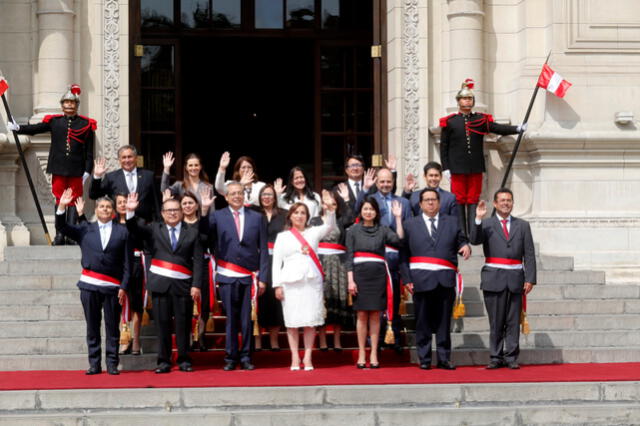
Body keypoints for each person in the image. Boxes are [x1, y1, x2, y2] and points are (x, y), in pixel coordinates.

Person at [125, 193, 204, 374]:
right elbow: (134, 228)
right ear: (162, 213)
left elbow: (198, 261)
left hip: (183, 285)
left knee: (183, 325)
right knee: (162, 324)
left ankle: (184, 360)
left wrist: (197, 284)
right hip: (160, 284)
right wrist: (130, 211)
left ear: (182, 212)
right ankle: (164, 361)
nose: (173, 213)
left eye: (176, 210)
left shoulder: (192, 232)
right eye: (169, 210)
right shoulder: (154, 229)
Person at [9, 84, 95, 245]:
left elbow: (89, 152)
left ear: (77, 105)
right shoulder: (55, 121)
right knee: (60, 200)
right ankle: (60, 235)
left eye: (72, 103)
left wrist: (87, 171)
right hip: (59, 168)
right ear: (62, 105)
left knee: (74, 201)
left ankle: (71, 235)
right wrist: (18, 128)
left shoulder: (86, 125)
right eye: (66, 102)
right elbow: (36, 128)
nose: (69, 105)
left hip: (77, 169)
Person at [55, 188, 129, 375]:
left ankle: (112, 363)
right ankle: (94, 364)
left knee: (112, 327)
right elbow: (63, 228)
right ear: (95, 210)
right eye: (101, 206)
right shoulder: (85, 229)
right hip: (89, 285)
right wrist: (62, 206)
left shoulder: (123, 232)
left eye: (108, 207)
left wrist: (124, 286)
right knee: (92, 326)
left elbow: (128, 263)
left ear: (113, 211)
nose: (104, 209)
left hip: (113, 287)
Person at [439, 79, 526, 234]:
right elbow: (443, 147)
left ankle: (473, 232)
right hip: (456, 168)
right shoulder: (450, 122)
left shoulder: (480, 119)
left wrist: (517, 129)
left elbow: (497, 128)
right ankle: (461, 234)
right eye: (465, 98)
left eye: (470, 98)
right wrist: (445, 168)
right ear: (458, 101)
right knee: (458, 199)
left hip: (475, 166)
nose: (468, 101)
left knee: (473, 199)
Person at [201, 181, 269, 371]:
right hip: (227, 274)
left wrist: (263, 277)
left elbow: (263, 248)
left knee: (247, 319)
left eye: (240, 193)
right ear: (226, 196)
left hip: (249, 276)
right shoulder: (217, 216)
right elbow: (204, 235)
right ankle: (230, 357)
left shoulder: (257, 217)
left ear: (244, 194)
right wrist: (205, 210)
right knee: (231, 318)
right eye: (233, 194)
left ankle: (246, 356)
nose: (237, 196)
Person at [400, 188, 471, 370]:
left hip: (444, 279)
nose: (431, 203)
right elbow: (403, 254)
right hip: (420, 280)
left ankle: (444, 358)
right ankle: (424, 358)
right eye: (427, 200)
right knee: (422, 321)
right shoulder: (409, 224)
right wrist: (406, 278)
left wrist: (464, 246)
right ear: (421, 204)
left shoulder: (452, 222)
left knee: (443, 322)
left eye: (434, 200)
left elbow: (460, 240)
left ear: (439, 203)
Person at [469, 188, 536, 370]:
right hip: (494, 277)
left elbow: (529, 253)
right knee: (496, 320)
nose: (506, 203)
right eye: (502, 200)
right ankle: (496, 356)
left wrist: (530, 278)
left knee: (513, 321)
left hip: (515, 277)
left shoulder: (522, 225)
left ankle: (512, 357)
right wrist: (478, 219)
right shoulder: (487, 224)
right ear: (496, 204)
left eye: (509, 200)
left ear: (512, 203)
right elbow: (474, 240)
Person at [272, 191, 337, 370]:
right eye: (296, 213)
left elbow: (329, 226)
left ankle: (308, 357)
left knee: (310, 321)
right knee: (292, 322)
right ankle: (294, 357)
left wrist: (329, 209)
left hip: (311, 281)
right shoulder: (282, 237)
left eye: (303, 213)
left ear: (308, 216)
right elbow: (277, 262)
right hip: (290, 283)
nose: (299, 216)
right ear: (290, 216)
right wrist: (277, 285)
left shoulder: (313, 232)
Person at [356, 167, 411, 351]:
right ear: (377, 182)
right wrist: (364, 189)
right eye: (382, 181)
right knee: (377, 300)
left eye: (389, 181)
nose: (385, 184)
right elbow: (357, 213)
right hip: (376, 258)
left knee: (394, 299)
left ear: (393, 182)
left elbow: (408, 229)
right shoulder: (371, 202)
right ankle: (376, 339)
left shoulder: (403, 202)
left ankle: (393, 336)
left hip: (397, 257)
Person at [346, 196, 404, 369]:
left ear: (376, 212)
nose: (368, 212)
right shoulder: (353, 231)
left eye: (371, 209)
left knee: (375, 316)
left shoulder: (383, 229)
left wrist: (398, 218)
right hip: (359, 276)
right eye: (365, 209)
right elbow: (349, 257)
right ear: (361, 212)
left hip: (378, 276)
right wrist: (350, 281)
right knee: (362, 315)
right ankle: (362, 352)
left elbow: (399, 240)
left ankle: (373, 352)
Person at [312, 187, 353, 352]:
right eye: (327, 203)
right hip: (320, 264)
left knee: (338, 301)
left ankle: (336, 340)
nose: (330, 206)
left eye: (334, 204)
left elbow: (352, 217)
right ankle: (322, 339)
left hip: (338, 265)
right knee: (322, 301)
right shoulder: (315, 221)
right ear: (322, 204)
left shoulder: (341, 220)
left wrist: (347, 199)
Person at [176, 189, 215, 351]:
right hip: (183, 268)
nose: (187, 206)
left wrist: (205, 212)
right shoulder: (177, 224)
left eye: (190, 202)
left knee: (203, 303)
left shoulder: (204, 222)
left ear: (197, 205)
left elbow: (207, 238)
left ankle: (201, 334)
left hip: (202, 266)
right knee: (184, 304)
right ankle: (188, 337)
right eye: (184, 203)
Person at [251, 184, 286, 351]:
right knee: (257, 301)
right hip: (258, 261)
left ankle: (274, 340)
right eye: (263, 194)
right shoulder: (253, 214)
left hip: (279, 262)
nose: (266, 197)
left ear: (275, 197)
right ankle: (257, 340)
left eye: (270, 194)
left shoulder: (284, 215)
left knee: (275, 301)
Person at [90, 145, 159, 223]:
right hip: (119, 224)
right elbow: (93, 195)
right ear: (119, 160)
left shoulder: (148, 176)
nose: (127, 160)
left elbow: (157, 202)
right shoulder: (111, 177)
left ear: (136, 158)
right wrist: (97, 177)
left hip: (144, 224)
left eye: (130, 157)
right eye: (124, 157)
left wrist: (159, 223)